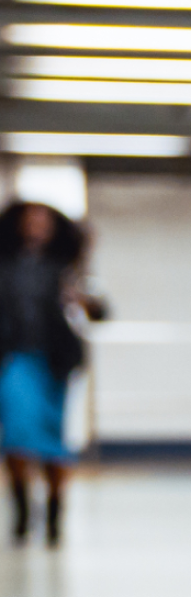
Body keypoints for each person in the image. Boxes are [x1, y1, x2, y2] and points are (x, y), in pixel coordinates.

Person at [2, 198, 102, 551]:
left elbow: (101, 308)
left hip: (55, 361)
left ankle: (56, 510)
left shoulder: (66, 269)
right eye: (30, 221)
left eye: (43, 221)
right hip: (14, 357)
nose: (36, 227)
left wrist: (80, 298)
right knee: (16, 430)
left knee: (51, 437)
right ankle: (21, 509)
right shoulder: (5, 265)